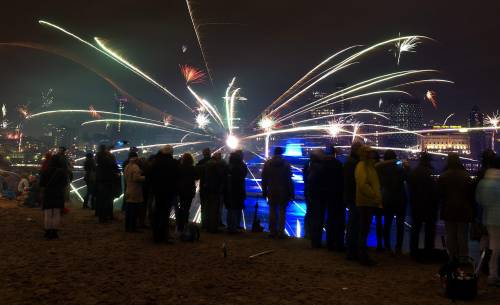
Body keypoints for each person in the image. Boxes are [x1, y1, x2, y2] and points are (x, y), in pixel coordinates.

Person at [438, 153, 475, 260]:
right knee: (462, 234)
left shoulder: (444, 176)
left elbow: (440, 194)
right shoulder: (466, 175)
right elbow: (471, 194)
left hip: (448, 208)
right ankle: (463, 256)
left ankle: (452, 256)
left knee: (450, 233)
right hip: (464, 208)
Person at [375, 150, 407, 254]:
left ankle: (387, 246)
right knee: (400, 225)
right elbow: (406, 175)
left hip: (387, 198)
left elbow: (377, 166)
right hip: (400, 198)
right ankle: (398, 248)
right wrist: (398, 162)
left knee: (387, 224)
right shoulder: (400, 168)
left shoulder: (381, 169)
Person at [355, 146, 382, 266]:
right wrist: (374, 195)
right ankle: (363, 257)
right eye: (370, 153)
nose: (373, 155)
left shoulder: (369, 166)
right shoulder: (362, 166)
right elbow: (362, 184)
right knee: (363, 230)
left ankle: (363, 255)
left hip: (369, 201)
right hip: (365, 202)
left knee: (365, 229)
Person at [408, 152, 438, 257]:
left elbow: (410, 187)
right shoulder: (431, 172)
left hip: (416, 204)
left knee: (415, 228)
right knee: (429, 230)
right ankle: (428, 251)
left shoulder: (414, 172)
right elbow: (435, 190)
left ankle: (413, 250)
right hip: (429, 205)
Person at [476, 157, 500, 286]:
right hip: (497, 218)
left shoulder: (484, 182)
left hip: (489, 218)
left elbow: (479, 200)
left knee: (492, 244)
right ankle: (493, 274)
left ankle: (484, 269)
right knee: (496, 248)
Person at [261, 147, 294, 239]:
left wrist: (264, 190)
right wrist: (291, 192)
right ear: (281, 153)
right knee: (282, 211)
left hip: (271, 189)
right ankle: (281, 232)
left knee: (272, 211)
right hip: (283, 190)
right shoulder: (286, 164)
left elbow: (264, 178)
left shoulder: (267, 164)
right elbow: (289, 180)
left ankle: (272, 231)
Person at [150, 145, 179, 243]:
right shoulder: (173, 163)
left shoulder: (156, 162)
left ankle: (156, 236)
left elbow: (150, 175)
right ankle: (163, 236)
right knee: (165, 214)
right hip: (168, 192)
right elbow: (176, 178)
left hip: (157, 192)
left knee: (157, 214)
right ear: (171, 153)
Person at [39, 154, 70, 239]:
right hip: (58, 193)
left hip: (48, 193)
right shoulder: (62, 172)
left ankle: (47, 232)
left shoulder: (45, 171)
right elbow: (65, 184)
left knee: (48, 213)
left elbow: (41, 184)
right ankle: (54, 233)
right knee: (56, 213)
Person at [345, 142, 363, 260]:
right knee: (355, 225)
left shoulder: (348, 162)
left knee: (353, 224)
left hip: (351, 197)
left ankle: (351, 250)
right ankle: (353, 251)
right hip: (355, 197)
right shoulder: (355, 164)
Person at [225, 150, 248, 233]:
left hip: (230, 189)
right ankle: (234, 227)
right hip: (238, 189)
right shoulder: (241, 166)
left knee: (231, 209)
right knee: (236, 208)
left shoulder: (229, 165)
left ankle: (231, 226)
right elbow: (244, 174)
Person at [95, 145, 120, 223]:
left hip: (101, 181)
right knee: (108, 199)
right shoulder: (108, 158)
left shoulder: (99, 158)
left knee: (102, 199)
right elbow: (114, 168)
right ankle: (106, 216)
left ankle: (102, 216)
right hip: (108, 181)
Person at [204, 152, 227, 233]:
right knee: (215, 209)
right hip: (216, 190)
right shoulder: (218, 166)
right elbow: (221, 177)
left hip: (208, 189)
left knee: (208, 208)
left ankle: (207, 226)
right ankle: (213, 228)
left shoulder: (207, 165)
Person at [124, 151, 145, 232]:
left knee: (129, 211)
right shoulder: (135, 167)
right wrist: (145, 178)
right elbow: (136, 178)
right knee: (133, 211)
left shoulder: (127, 167)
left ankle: (127, 227)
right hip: (135, 190)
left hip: (128, 189)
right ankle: (133, 228)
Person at [177, 153, 197, 232]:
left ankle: (180, 224)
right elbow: (196, 177)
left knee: (182, 206)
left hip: (181, 190)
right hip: (189, 190)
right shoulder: (192, 168)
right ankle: (185, 223)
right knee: (187, 207)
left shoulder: (179, 167)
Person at [196, 148, 211, 229]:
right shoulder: (214, 162)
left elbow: (196, 175)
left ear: (203, 153)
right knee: (211, 206)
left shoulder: (201, 162)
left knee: (203, 206)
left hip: (203, 186)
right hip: (212, 187)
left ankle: (204, 223)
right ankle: (210, 223)